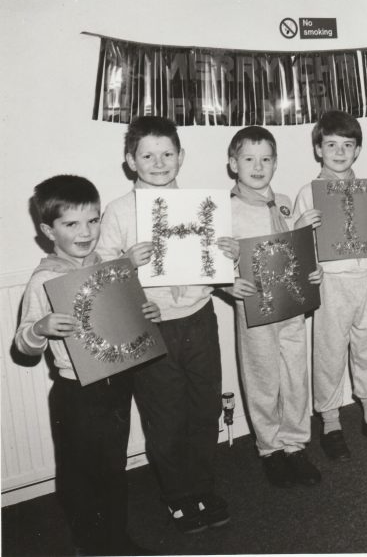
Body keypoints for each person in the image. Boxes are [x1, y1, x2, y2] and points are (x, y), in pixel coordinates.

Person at [96, 116, 238, 534]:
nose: (158, 162)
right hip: (152, 324)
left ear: (180, 157)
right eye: (147, 155)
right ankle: (178, 495)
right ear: (130, 160)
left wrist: (227, 252)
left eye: (167, 154)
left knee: (204, 406)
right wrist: (126, 261)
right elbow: (100, 271)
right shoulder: (120, 210)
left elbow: (218, 266)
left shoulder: (201, 204)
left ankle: (203, 487)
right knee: (166, 415)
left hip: (198, 317)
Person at [16, 175, 159, 555]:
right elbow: (23, 345)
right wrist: (42, 328)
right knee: (80, 477)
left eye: (93, 220)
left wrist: (147, 313)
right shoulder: (45, 280)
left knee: (114, 468)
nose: (85, 232)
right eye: (71, 223)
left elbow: (125, 321)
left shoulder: (111, 267)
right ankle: (91, 545)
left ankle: (115, 538)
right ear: (48, 230)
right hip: (76, 392)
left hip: (116, 383)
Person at [293, 110, 367, 461]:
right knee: (329, 354)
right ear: (318, 149)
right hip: (332, 285)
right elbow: (297, 250)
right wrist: (300, 226)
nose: (339, 152)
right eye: (331, 145)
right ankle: (331, 424)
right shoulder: (309, 193)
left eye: (347, 145)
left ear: (357, 151)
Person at [227, 126, 323, 488]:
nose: (258, 166)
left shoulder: (283, 200)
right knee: (263, 378)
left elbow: (298, 250)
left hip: (292, 305)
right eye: (249, 159)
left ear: (276, 163)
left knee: (296, 375)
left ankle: (296, 444)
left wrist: (314, 271)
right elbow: (219, 261)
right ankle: (270, 449)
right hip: (256, 308)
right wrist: (226, 283)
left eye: (266, 159)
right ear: (233, 164)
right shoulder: (228, 210)